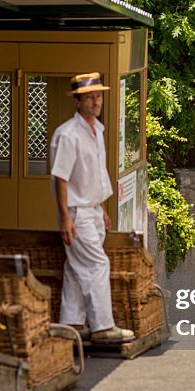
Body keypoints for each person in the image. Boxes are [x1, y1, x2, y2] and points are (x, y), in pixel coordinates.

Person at [50, 72, 134, 344]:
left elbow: (97, 174)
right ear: (77, 101)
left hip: (92, 209)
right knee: (98, 265)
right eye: (90, 97)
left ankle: (72, 322)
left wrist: (103, 208)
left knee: (76, 268)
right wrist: (65, 217)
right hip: (77, 211)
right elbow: (61, 177)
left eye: (98, 95)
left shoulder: (97, 130)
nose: (96, 101)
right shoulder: (68, 134)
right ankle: (101, 327)